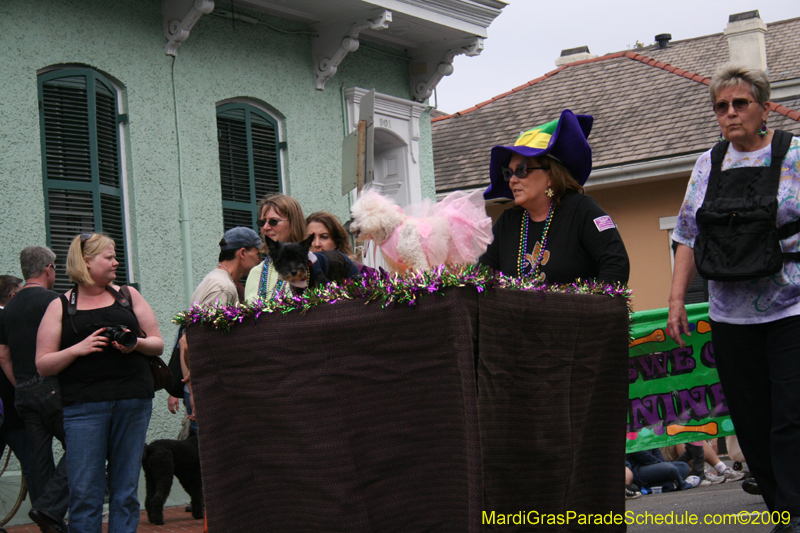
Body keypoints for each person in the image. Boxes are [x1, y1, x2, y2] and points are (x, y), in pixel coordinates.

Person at [667, 63, 800, 529]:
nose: (730, 113)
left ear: (764, 107)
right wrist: (677, 300)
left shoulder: (795, 155)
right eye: (721, 106)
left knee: (792, 415)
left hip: (792, 309)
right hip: (730, 316)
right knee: (751, 421)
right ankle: (783, 510)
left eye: (740, 103)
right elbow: (685, 234)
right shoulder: (709, 163)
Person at [36, 233, 164, 533]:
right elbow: (43, 363)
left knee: (125, 491)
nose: (116, 261)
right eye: (109, 257)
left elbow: (156, 343)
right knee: (84, 493)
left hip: (133, 402)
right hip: (83, 408)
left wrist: (136, 346)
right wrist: (77, 349)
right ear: (86, 262)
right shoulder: (60, 305)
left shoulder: (127, 296)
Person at [479, 109, 630, 285]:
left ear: (550, 176)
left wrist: (590, 308)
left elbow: (616, 265)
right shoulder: (507, 222)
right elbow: (483, 278)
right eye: (508, 173)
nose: (512, 180)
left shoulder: (582, 211)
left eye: (521, 170)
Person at [0, 248, 67, 533]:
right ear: (49, 268)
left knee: (39, 461)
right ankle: (50, 508)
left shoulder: (10, 307)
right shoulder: (55, 301)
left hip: (23, 393)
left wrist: (21, 385)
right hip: (52, 388)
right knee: (84, 444)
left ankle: (48, 524)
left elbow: (3, 355)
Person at [180, 227, 263, 431]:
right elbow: (189, 343)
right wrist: (196, 390)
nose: (261, 259)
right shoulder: (222, 288)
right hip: (211, 390)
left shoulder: (220, 281)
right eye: (258, 253)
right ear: (243, 253)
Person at [244, 194, 307, 302]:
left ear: (293, 223)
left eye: (273, 221)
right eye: (262, 222)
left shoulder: (312, 264)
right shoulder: (256, 272)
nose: (266, 227)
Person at [626, 447, 694, 492]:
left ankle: (667, 484)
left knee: (684, 467)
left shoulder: (648, 432)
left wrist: (661, 463)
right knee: (670, 468)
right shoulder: (632, 435)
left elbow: (656, 450)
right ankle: (677, 483)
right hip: (638, 469)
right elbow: (642, 456)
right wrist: (660, 464)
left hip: (655, 464)